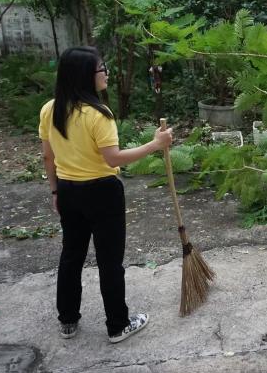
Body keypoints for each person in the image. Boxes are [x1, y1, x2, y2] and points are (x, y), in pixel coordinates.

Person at [39, 46, 173, 342]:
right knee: (109, 260)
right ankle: (117, 325)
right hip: (102, 192)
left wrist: (55, 190)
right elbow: (113, 159)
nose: (107, 74)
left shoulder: (50, 109)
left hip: (68, 190)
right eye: (102, 69)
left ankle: (68, 321)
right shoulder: (99, 115)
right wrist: (155, 144)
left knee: (71, 255)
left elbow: (48, 156)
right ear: (86, 75)